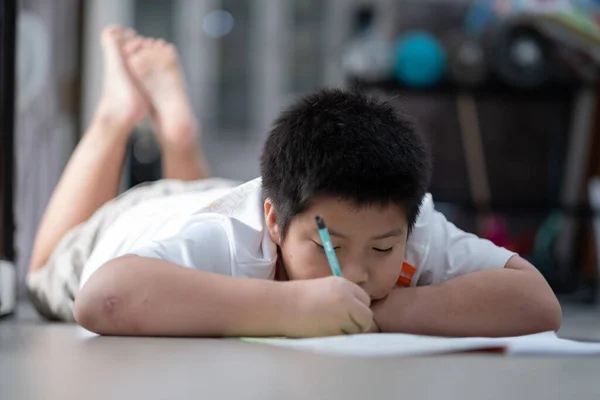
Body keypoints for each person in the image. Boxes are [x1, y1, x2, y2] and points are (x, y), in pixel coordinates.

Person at [27, 26, 562, 338]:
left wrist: (395, 309)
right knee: (38, 271)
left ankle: (180, 135)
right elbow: (103, 299)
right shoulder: (232, 239)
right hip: (130, 223)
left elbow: (538, 304)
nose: (356, 271)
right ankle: (116, 115)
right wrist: (292, 307)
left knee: (200, 227)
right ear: (275, 224)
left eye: (382, 247)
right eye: (328, 244)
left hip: (206, 198)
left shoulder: (402, 214)